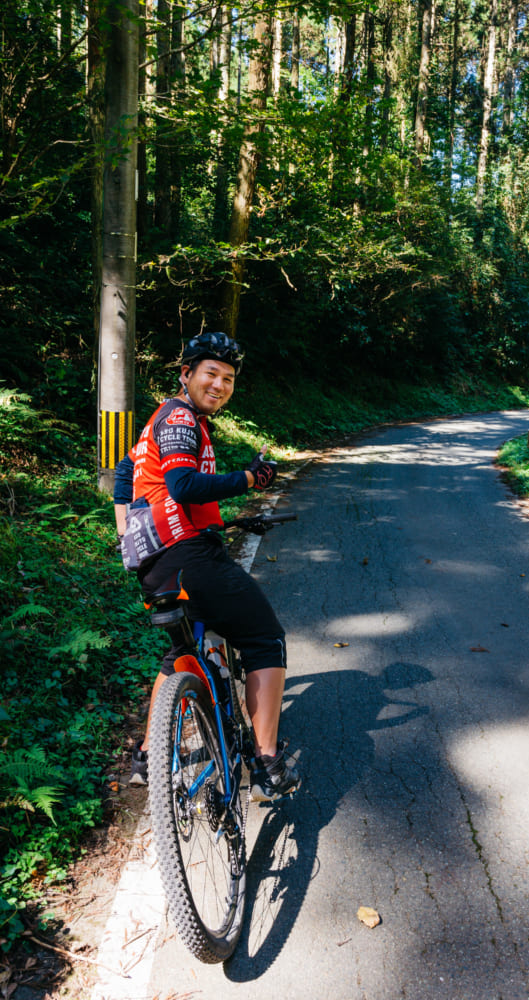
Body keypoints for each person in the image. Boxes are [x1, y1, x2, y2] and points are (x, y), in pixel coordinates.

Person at [113, 331, 300, 802]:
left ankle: (147, 760)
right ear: (186, 374)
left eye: (228, 378)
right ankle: (268, 765)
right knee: (264, 639)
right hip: (190, 558)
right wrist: (249, 478)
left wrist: (126, 537)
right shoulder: (180, 417)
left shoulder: (159, 421)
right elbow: (182, 485)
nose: (219, 385)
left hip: (155, 564)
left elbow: (125, 474)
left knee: (180, 654)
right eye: (211, 373)